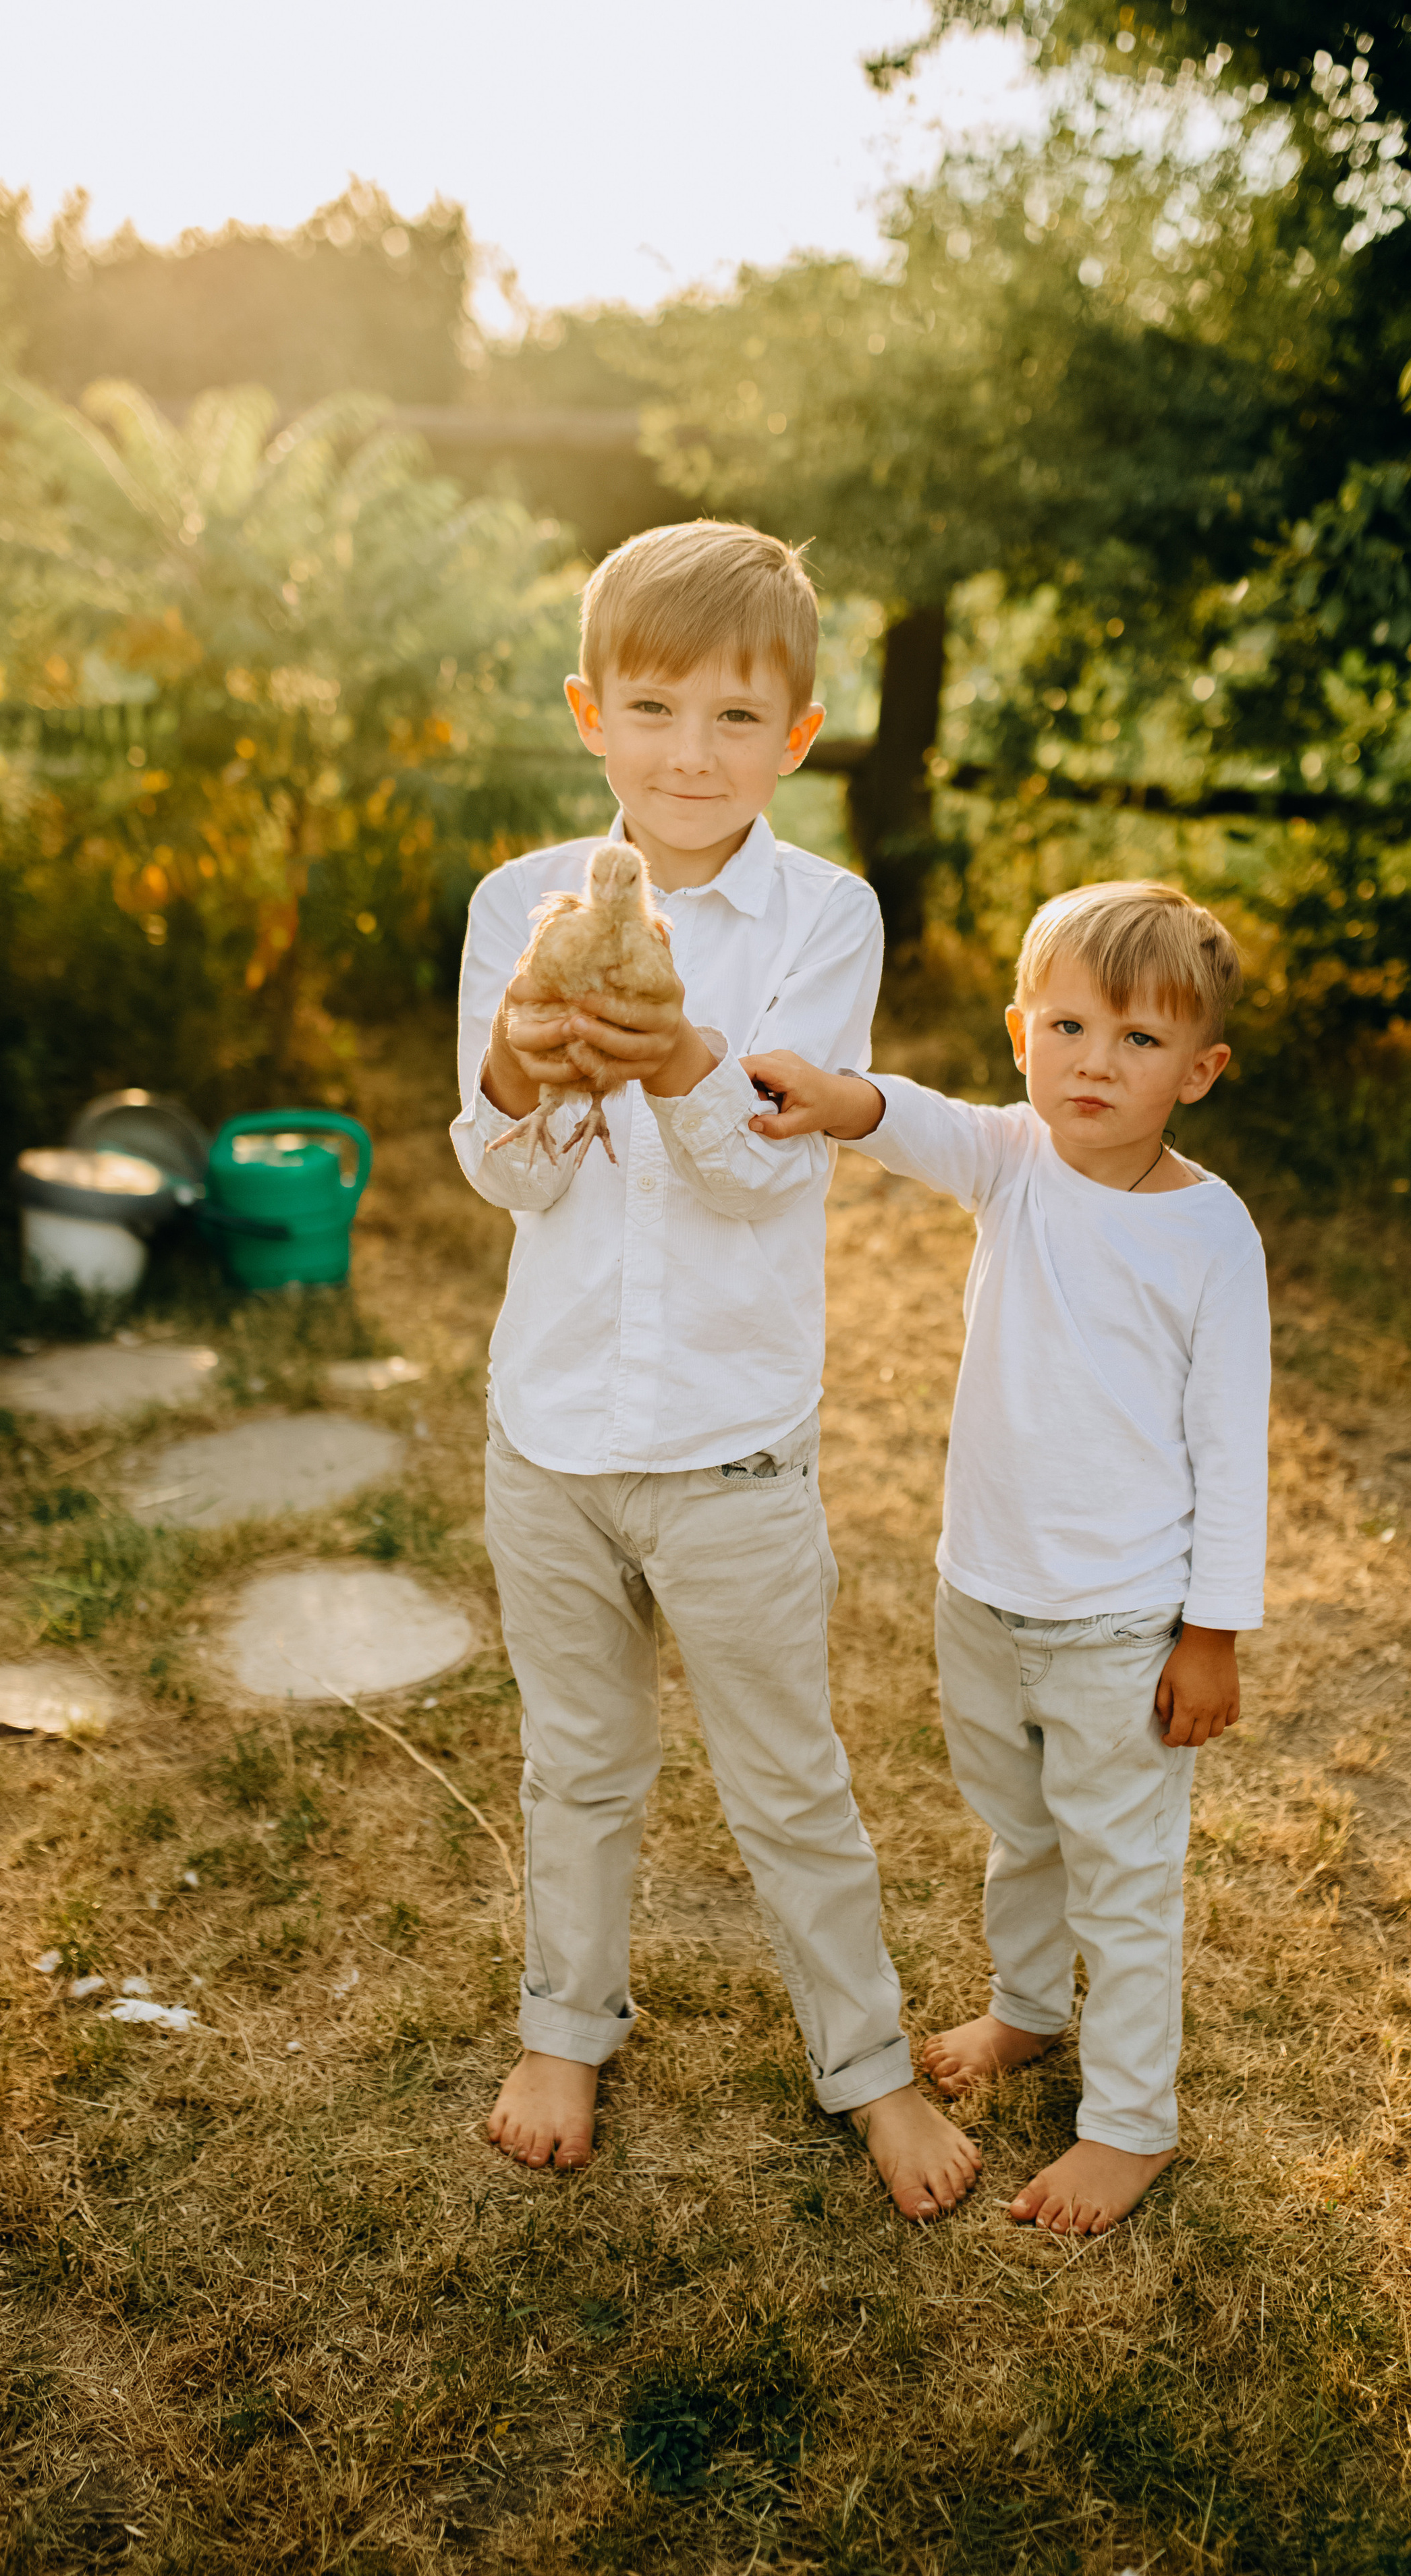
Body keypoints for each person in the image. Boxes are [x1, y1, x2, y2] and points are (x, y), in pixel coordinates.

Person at [449, 518, 980, 2221]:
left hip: (734, 1451)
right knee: (578, 1755)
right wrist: (527, 1075)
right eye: (657, 708)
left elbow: (770, 1171)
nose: (692, 753)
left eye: (736, 719)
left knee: (786, 1771)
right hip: (548, 1436)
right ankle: (562, 2027)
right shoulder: (514, 907)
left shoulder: (824, 921)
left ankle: (868, 2064)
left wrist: (679, 1058)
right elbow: (497, 1172)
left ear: (798, 738)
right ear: (591, 711)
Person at [744, 880, 1269, 2234]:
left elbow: (1230, 1448)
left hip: (1120, 1627)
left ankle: (1131, 2124)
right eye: (1068, 1025)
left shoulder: (1206, 1235)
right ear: (1018, 1031)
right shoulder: (1012, 1159)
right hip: (978, 1593)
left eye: (1139, 1041)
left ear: (1198, 1072)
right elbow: (910, 1123)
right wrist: (830, 1092)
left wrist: (1208, 1634)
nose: (1095, 1061)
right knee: (1017, 1831)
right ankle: (1030, 2009)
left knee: (1123, 1873)